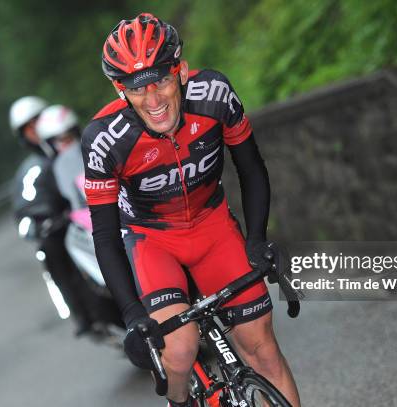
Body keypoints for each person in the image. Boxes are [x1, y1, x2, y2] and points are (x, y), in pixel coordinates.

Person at [81, 13, 301, 407]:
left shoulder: (213, 94)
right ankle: (181, 402)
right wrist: (133, 316)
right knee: (180, 350)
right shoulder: (104, 141)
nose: (153, 101)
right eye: (136, 88)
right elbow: (105, 234)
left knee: (262, 348)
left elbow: (250, 166)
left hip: (212, 225)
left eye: (161, 80)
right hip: (154, 241)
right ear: (120, 90)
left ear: (180, 69)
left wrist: (256, 238)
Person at [9, 96, 98, 336]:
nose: (36, 129)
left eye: (37, 120)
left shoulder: (83, 144)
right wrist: (42, 223)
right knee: (49, 248)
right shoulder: (33, 171)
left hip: (101, 210)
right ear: (22, 135)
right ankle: (82, 312)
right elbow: (25, 215)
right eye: (29, 127)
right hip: (69, 226)